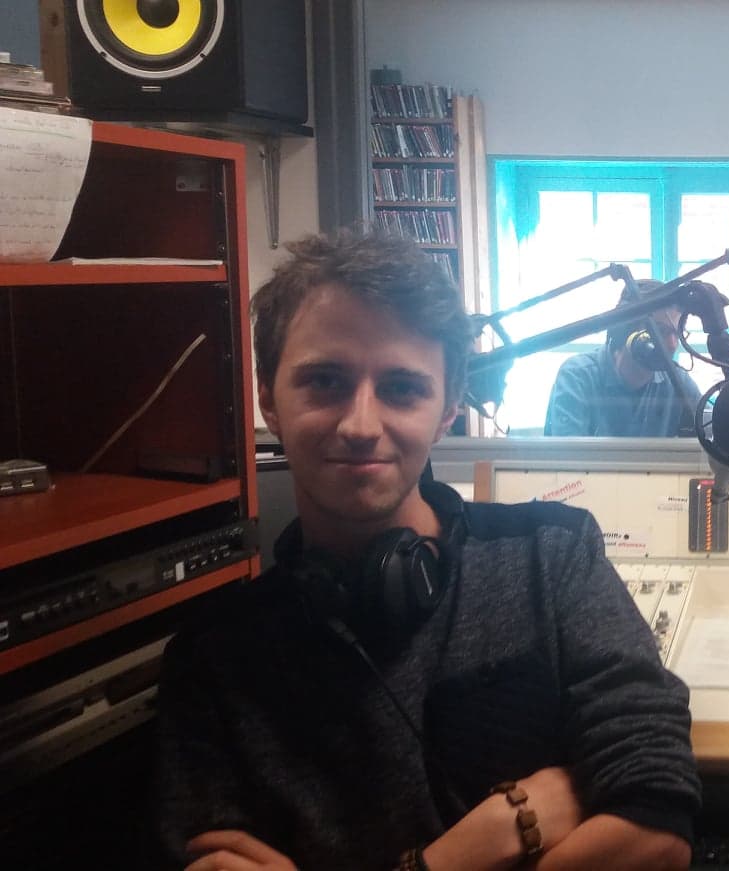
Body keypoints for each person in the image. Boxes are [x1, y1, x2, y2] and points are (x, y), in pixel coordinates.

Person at [154, 231, 700, 870]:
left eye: (402, 388)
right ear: (269, 399)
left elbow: (657, 832)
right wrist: (485, 840)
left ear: (447, 410)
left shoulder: (554, 558)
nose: (361, 425)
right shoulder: (213, 658)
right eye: (325, 382)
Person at [543, 280, 703, 437]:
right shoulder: (578, 376)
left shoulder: (678, 383)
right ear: (627, 331)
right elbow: (569, 453)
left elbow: (710, 438)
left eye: (677, 333)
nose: (673, 344)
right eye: (661, 331)